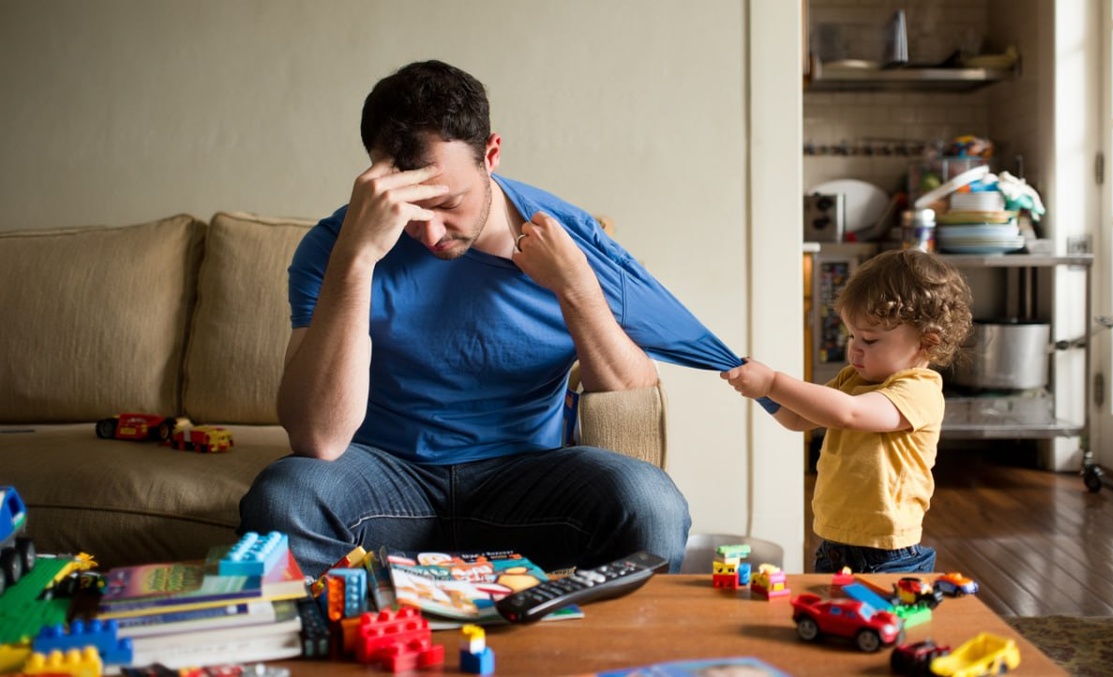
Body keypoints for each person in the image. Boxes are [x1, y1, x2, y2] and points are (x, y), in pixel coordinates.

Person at [240, 60, 766, 578]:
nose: (430, 233)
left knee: (652, 504)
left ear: (491, 154)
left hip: (525, 480)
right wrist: (356, 260)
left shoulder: (567, 238)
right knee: (284, 498)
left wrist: (576, 287)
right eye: (412, 210)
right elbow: (319, 440)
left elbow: (629, 395)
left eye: (449, 203)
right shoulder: (335, 247)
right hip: (383, 476)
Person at [720, 249, 972, 573]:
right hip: (836, 544)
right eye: (852, 335)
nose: (854, 347)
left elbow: (849, 414)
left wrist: (772, 382)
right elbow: (797, 418)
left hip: (888, 552)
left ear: (927, 342)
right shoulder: (851, 380)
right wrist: (763, 393)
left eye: (869, 339)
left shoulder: (919, 390)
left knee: (882, 610)